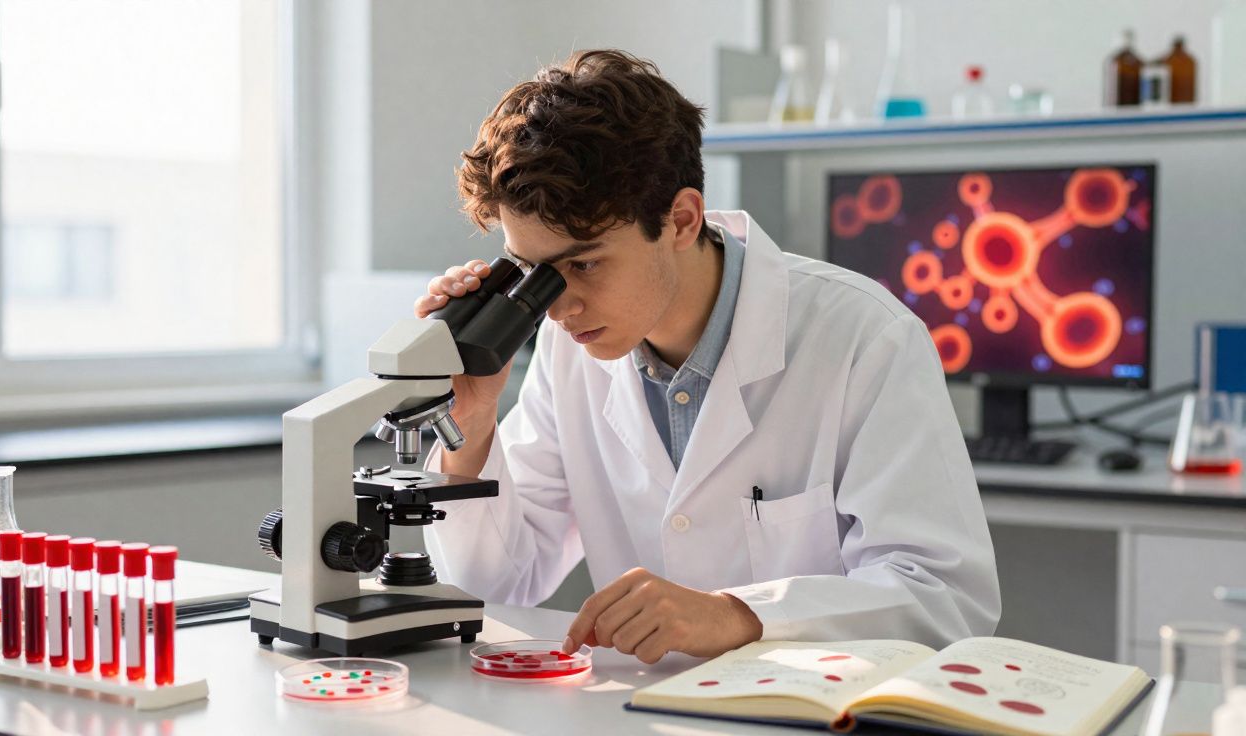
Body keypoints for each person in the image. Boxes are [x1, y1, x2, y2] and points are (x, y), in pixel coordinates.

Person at [415, 49, 999, 665]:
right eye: (533, 272)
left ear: (682, 219)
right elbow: (495, 589)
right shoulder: (569, 346)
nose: (557, 308)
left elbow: (945, 599)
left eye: (583, 264)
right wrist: (471, 423)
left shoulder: (863, 336)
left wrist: (738, 616)